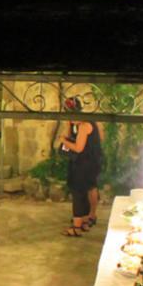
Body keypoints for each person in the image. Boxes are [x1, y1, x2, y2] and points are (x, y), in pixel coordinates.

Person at [59, 100, 103, 238]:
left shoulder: (84, 126)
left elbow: (78, 148)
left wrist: (63, 141)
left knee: (78, 193)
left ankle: (76, 227)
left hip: (84, 165)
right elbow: (100, 138)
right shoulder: (89, 122)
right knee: (84, 192)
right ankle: (84, 221)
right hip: (91, 163)